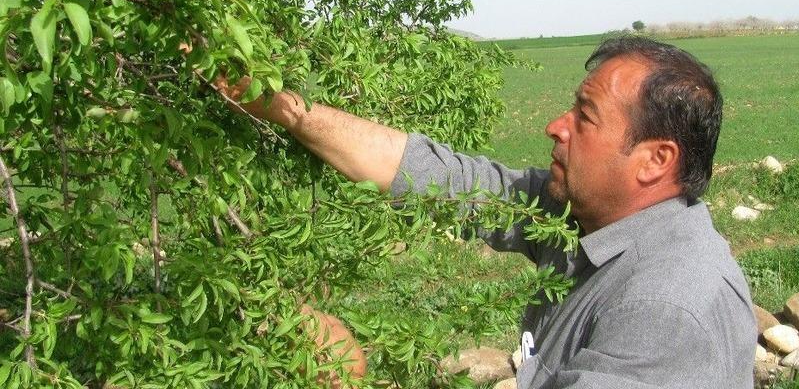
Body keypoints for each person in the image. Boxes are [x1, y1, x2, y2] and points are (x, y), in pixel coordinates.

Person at [218, 36, 757, 388]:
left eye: (585, 117)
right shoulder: (588, 219)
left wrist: (348, 379)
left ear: (654, 161)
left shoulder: (667, 310)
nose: (556, 125)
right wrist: (283, 107)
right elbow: (446, 181)